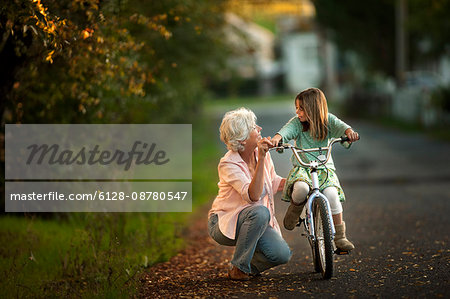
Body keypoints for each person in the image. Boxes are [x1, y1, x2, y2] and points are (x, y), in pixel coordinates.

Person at [208, 107, 291, 281]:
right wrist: (261, 158)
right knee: (260, 212)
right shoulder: (228, 164)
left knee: (282, 254)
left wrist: (296, 181)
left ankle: (243, 268)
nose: (260, 129)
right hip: (223, 223)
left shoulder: (260, 154)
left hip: (254, 220)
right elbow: (253, 196)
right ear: (243, 138)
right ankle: (240, 266)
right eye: (254, 127)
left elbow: (272, 182)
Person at [271, 88, 359, 252]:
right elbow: (285, 131)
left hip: (324, 169)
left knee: (332, 195)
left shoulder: (328, 121)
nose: (297, 111)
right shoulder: (297, 123)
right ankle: (295, 210)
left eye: (300, 108)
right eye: (296, 108)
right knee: (301, 189)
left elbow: (343, 127)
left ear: (312, 108)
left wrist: (350, 133)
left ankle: (340, 237)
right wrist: (278, 139)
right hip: (303, 169)